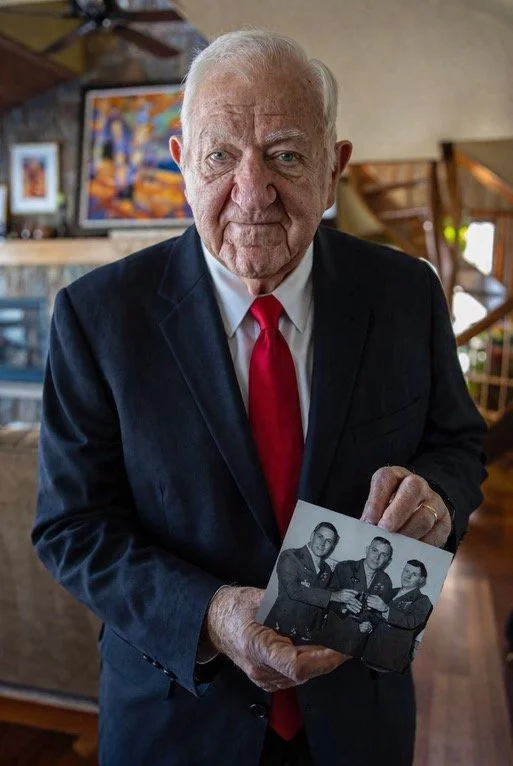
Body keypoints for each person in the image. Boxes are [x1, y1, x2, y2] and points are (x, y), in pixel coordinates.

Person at [32, 29, 487, 766]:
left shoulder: (405, 295)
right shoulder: (97, 317)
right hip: (176, 719)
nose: (252, 193)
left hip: (356, 720)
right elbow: (71, 527)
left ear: (333, 168)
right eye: (220, 156)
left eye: (285, 154)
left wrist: (436, 497)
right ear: (181, 164)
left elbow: (458, 444)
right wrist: (210, 615)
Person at [264, 522, 339, 642]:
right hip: (280, 629)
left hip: (307, 635)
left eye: (329, 541)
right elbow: (294, 591)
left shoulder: (327, 570)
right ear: (312, 535)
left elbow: (321, 603)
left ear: (332, 546)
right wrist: (334, 596)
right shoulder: (290, 556)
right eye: (320, 537)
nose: (323, 543)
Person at [319, 537, 394, 657]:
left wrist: (370, 624)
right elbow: (326, 596)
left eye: (383, 555)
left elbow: (378, 614)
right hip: (333, 635)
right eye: (375, 550)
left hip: (357, 643)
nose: (377, 557)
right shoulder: (345, 568)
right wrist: (343, 606)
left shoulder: (386, 582)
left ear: (388, 561)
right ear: (367, 550)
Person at [362, 560, 433, 672]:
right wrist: (369, 624)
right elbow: (376, 616)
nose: (407, 576)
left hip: (390, 660)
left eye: (414, 574)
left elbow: (411, 621)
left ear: (421, 580)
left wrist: (385, 609)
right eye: (406, 571)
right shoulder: (391, 591)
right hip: (370, 652)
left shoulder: (423, 601)